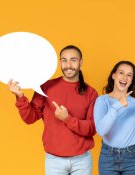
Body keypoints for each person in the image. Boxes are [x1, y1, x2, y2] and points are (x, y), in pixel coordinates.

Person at [8, 45, 98, 175]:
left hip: (81, 160)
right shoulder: (46, 87)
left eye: (73, 60)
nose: (68, 65)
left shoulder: (90, 93)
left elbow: (91, 128)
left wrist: (67, 119)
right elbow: (30, 118)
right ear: (59, 62)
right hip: (54, 160)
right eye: (64, 60)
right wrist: (20, 97)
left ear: (81, 62)